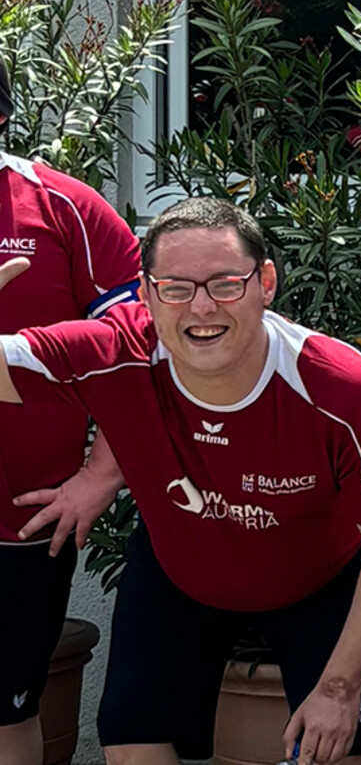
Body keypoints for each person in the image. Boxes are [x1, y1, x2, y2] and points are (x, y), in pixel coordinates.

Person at [0, 197, 361, 765]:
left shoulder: (339, 386)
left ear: (265, 282)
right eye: (175, 288)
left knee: (332, 751)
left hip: (317, 579)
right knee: (130, 742)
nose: (201, 308)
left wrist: (340, 689)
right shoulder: (114, 352)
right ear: (146, 293)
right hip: (179, 571)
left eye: (225, 283)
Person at [0, 117, 140, 765]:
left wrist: (101, 474)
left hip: (20, 523)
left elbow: (139, 347)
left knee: (9, 714)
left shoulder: (65, 209)